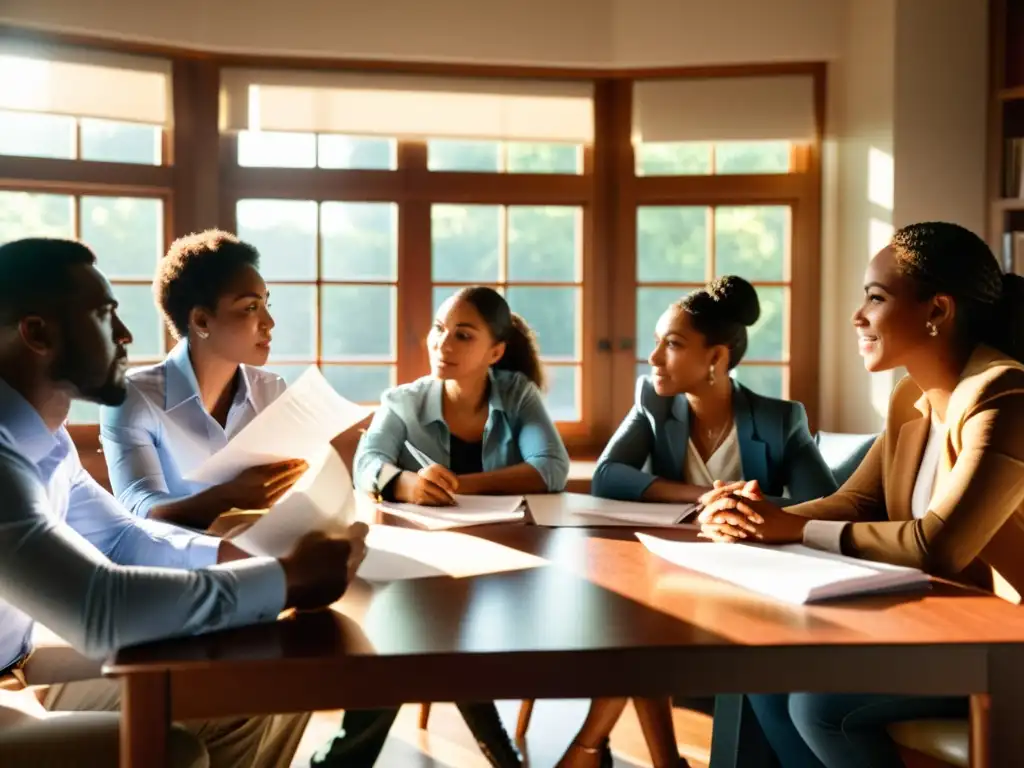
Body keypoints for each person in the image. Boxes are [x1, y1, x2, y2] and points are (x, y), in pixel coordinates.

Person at [0, 237, 368, 767]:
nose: (126, 335)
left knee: (276, 669)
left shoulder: (49, 442)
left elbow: (124, 535)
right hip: (12, 679)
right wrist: (287, 578)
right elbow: (100, 609)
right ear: (37, 333)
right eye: (105, 315)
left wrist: (245, 562)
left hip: (20, 658)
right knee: (178, 751)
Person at [698, 222, 1024, 767]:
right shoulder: (910, 399)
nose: (858, 316)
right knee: (757, 670)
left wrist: (792, 527)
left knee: (819, 705)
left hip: (1003, 643)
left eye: (875, 298)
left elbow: (940, 545)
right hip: (939, 626)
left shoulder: (1005, 395)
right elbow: (853, 503)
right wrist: (751, 516)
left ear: (937, 311)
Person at [562, 276, 837, 768]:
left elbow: (823, 502)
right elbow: (606, 476)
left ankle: (592, 749)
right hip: (678, 570)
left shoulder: (780, 419)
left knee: (638, 636)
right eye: (657, 343)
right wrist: (704, 496)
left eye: (672, 344)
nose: (653, 359)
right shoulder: (653, 404)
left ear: (717, 357)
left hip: (759, 584)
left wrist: (740, 505)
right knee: (634, 624)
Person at [315, 286, 569, 768]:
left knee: (430, 644)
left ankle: (339, 764)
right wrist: (406, 484)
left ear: (495, 351)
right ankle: (501, 756)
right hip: (421, 560)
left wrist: (460, 485)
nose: (442, 344)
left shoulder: (517, 394)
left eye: (462, 335)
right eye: (438, 330)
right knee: (417, 641)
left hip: (507, 563)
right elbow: (366, 463)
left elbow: (552, 467)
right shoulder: (405, 400)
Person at [99, 230, 307, 531]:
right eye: (250, 307)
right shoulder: (134, 396)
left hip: (260, 555)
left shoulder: (272, 390)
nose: (269, 323)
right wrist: (226, 498)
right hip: (173, 566)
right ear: (201, 321)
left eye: (266, 305)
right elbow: (137, 504)